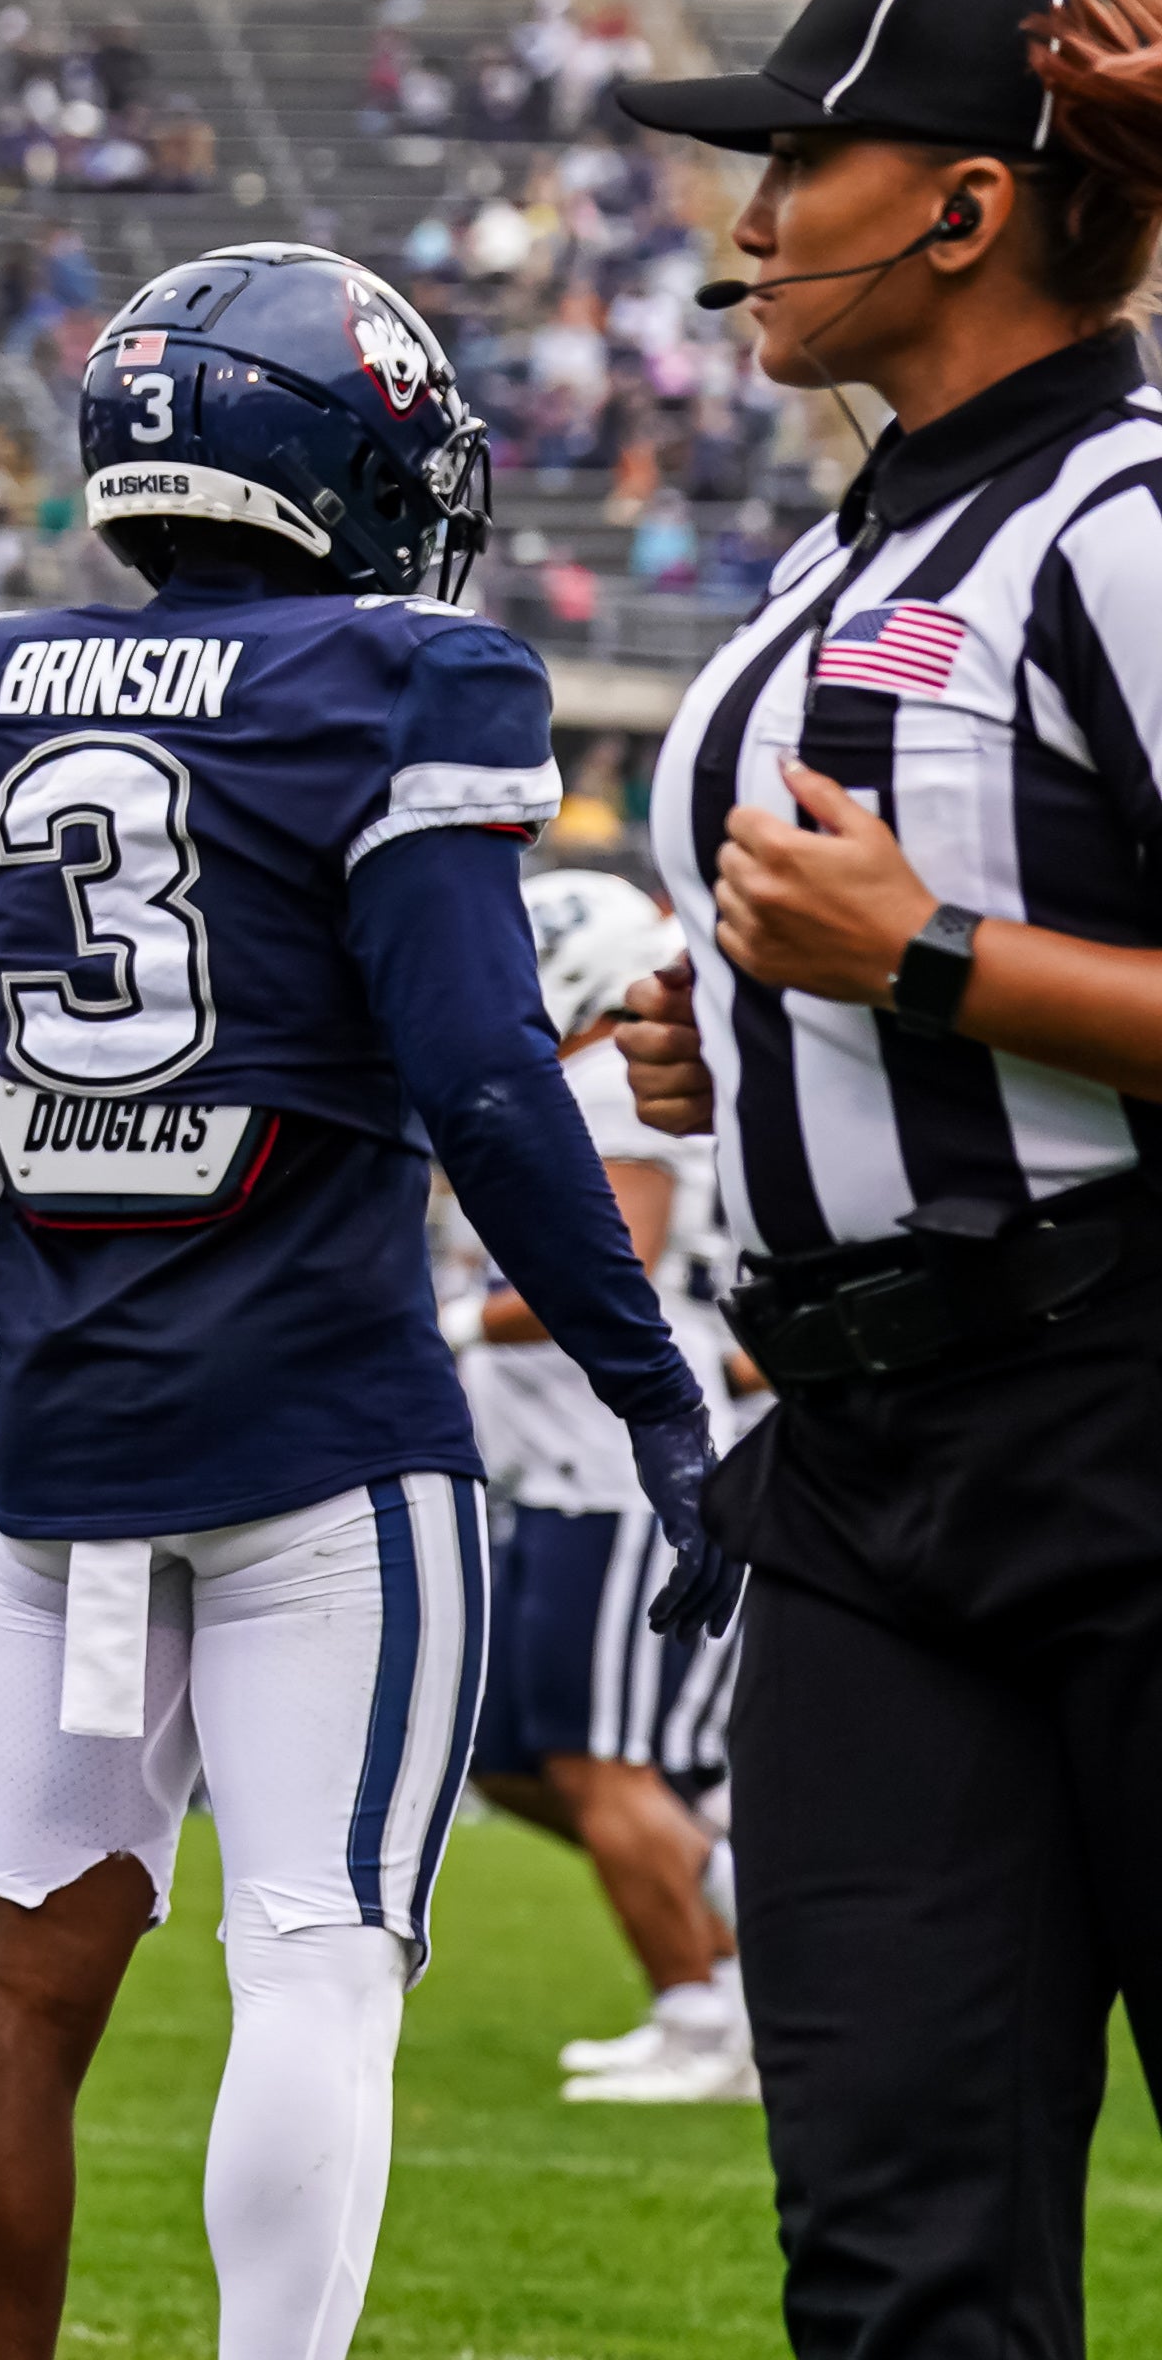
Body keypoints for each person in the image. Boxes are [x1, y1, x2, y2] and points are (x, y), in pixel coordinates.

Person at [0, 242, 724, 2360]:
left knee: (25, 1977)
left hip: (69, 1459)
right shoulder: (409, 678)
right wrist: (655, 1387)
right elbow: (487, 1072)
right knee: (318, 1956)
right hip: (323, 1451)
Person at [595, 0, 1162, 2348]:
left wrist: (920, 966)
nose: (748, 219)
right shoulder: (836, 557)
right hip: (849, 1457)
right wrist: (736, 1031)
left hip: (1126, 1403)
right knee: (891, 2236)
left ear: (960, 206)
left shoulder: (1130, 523)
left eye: (798, 160)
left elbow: (924, 928)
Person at [462, 871, 749, 2104]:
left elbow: (609, 1269)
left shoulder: (611, 1084)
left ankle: (707, 2012)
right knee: (511, 1751)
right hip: (558, 1475)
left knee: (604, 1760)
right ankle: (742, 1945)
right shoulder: (568, 1084)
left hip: (625, 1471)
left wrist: (450, 1325)